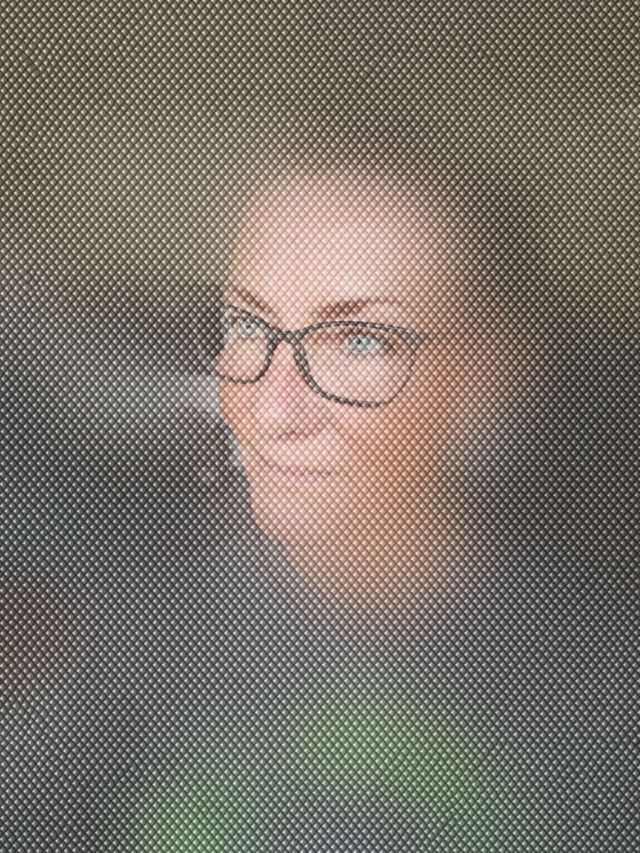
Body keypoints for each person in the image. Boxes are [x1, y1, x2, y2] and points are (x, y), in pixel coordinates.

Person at [201, 141, 555, 614]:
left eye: (361, 341)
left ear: (488, 373)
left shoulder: (581, 647)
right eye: (248, 324)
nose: (272, 412)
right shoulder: (157, 617)